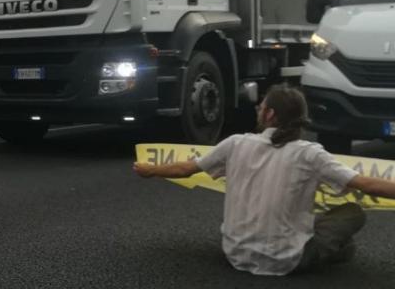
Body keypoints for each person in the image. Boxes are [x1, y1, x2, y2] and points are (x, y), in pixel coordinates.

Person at [133, 84, 395, 275]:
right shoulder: (310, 154)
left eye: (261, 107)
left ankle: (332, 250)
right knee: (353, 213)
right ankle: (335, 252)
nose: (259, 110)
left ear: (269, 115)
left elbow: (184, 170)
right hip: (287, 260)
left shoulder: (235, 144)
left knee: (321, 225)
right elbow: (367, 184)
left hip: (234, 253)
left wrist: (149, 170)